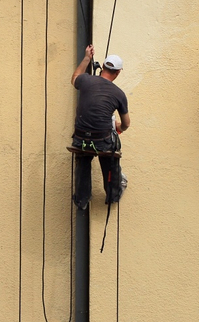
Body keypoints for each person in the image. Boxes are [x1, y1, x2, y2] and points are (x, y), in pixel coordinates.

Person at [70, 45, 131, 210]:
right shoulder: (119, 94)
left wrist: (86, 59)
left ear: (103, 67)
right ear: (117, 73)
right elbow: (126, 123)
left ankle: (81, 200)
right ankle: (114, 193)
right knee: (111, 155)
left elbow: (75, 77)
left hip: (81, 138)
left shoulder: (86, 80)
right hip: (101, 140)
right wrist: (119, 127)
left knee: (83, 156)